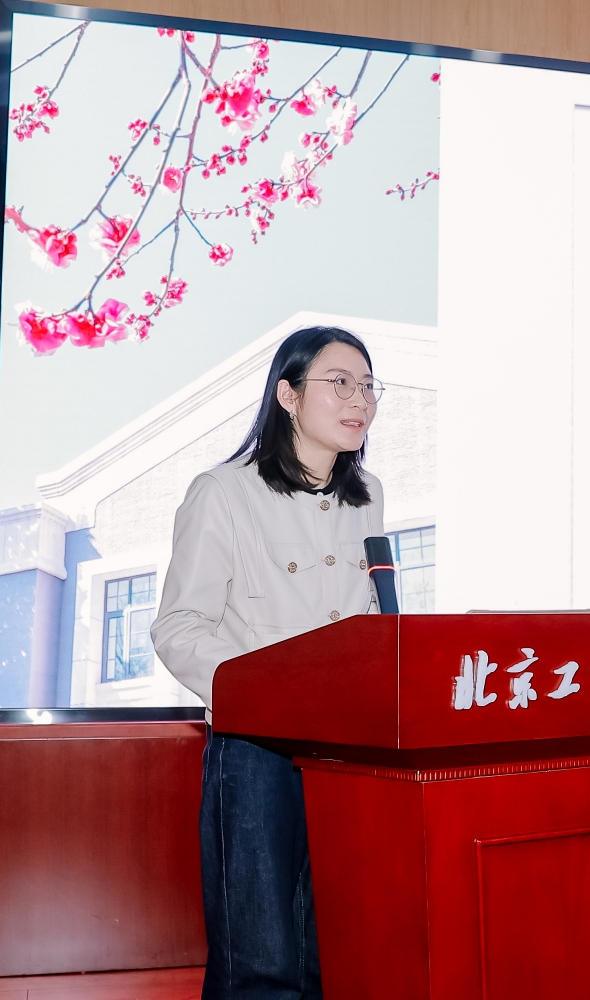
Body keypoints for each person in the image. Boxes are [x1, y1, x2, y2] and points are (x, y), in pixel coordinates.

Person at [151, 326, 386, 1000]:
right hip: (256, 748)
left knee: (329, 951)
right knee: (260, 960)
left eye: (369, 386)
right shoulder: (223, 492)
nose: (360, 400)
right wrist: (271, 693)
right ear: (287, 394)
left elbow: (369, 619)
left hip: (346, 750)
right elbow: (179, 627)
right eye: (340, 383)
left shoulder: (368, 495)